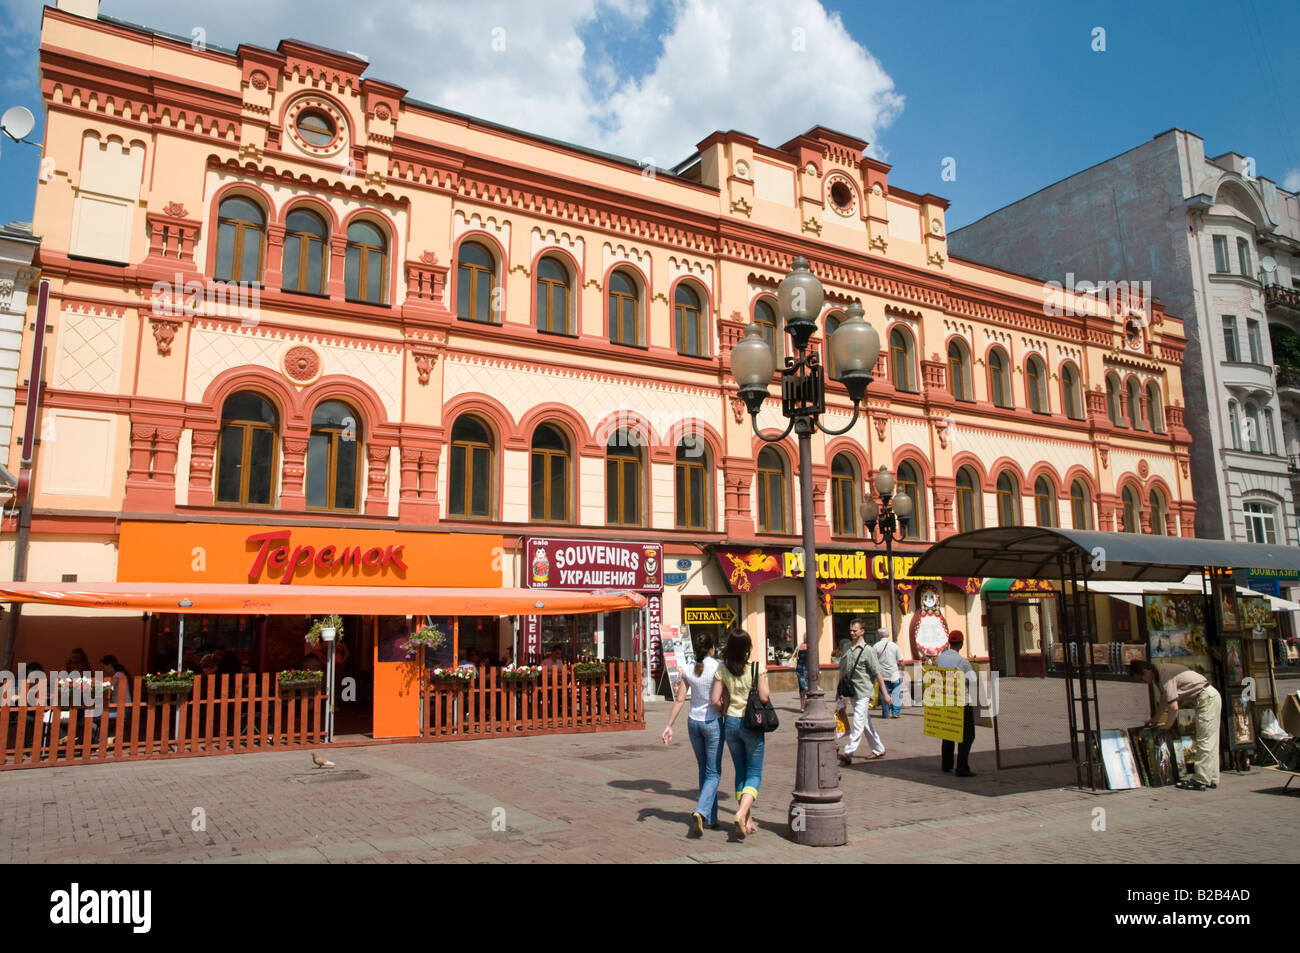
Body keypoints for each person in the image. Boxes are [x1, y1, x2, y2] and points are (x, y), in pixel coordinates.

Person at [661, 632, 723, 836]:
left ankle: (711, 818)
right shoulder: (717, 667)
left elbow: (680, 700)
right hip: (712, 722)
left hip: (693, 723)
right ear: (712, 648)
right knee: (713, 772)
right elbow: (721, 698)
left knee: (703, 770)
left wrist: (669, 725)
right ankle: (701, 811)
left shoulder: (688, 668)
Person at [711, 629, 769, 840]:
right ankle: (741, 813)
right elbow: (764, 697)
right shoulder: (756, 668)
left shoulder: (722, 669)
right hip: (752, 724)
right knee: (754, 773)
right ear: (747, 648)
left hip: (731, 722)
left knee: (740, 771)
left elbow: (715, 700)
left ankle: (748, 821)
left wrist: (726, 709)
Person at [1129, 659, 1221, 791]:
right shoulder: (1159, 673)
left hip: (1206, 698)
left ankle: (1200, 780)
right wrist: (1155, 719)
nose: (1144, 682)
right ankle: (1211, 778)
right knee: (1210, 740)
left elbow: (1173, 707)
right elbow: (1163, 700)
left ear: (1146, 672)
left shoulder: (1164, 676)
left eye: (1142, 679)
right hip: (1208, 697)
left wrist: (1168, 724)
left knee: (1205, 741)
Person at [838, 618, 889, 765]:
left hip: (864, 691)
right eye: (851, 630)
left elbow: (878, 672)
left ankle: (848, 752)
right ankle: (879, 749)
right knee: (865, 722)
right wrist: (838, 690)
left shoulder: (868, 650)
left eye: (855, 630)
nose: (852, 633)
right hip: (851, 690)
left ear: (862, 631)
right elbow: (842, 669)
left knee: (858, 722)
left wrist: (885, 694)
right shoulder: (847, 647)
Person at [936, 630, 976, 777]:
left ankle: (946, 764)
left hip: (945, 700)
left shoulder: (940, 659)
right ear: (962, 643)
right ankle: (962, 766)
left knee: (948, 733)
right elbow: (972, 680)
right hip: (962, 702)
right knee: (967, 736)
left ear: (949, 642)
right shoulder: (962, 662)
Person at [874, 625, 903, 719]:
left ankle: (886, 713)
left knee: (883, 694)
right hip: (894, 673)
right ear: (888, 635)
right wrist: (902, 670)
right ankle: (896, 713)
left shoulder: (876, 646)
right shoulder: (894, 646)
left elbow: (873, 661)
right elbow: (901, 661)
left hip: (882, 675)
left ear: (879, 636)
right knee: (896, 693)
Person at [794, 637, 809, 712]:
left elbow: (795, 656)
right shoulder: (809, 646)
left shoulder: (800, 645)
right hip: (805, 668)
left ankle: (803, 706)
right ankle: (804, 705)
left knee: (803, 687)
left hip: (801, 668)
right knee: (804, 687)